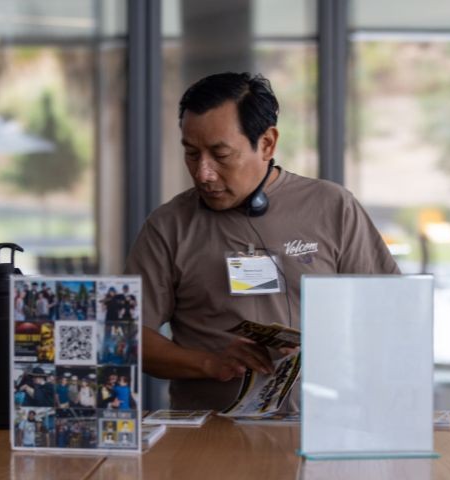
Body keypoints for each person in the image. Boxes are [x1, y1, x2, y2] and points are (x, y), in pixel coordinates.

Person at [125, 72, 399, 411]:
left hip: (326, 427)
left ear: (267, 143)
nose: (203, 173)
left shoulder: (332, 207)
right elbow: (127, 339)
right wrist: (210, 363)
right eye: (192, 154)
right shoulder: (168, 226)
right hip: (209, 441)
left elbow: (390, 313)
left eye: (220, 155)